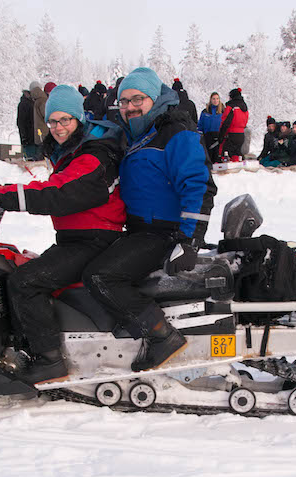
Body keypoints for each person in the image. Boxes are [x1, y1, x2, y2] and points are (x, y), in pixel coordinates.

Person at [0, 85, 127, 384]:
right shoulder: (71, 149)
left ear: (78, 119)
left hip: (94, 239)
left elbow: (58, 194)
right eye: (53, 121)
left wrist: (1, 194)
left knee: (25, 281)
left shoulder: (93, 154)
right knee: (16, 265)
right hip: (79, 237)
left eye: (65, 120)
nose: (57, 128)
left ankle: (49, 360)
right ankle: (24, 345)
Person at [83, 67, 216, 372]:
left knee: (100, 276)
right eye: (124, 101)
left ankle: (162, 336)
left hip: (164, 234)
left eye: (137, 99)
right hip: (140, 230)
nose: (129, 107)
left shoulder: (176, 132)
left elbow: (199, 185)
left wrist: (189, 240)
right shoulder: (141, 134)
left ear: (154, 98)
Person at [217, 88, 249, 160]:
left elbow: (225, 122)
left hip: (231, 134)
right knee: (237, 154)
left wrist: (221, 135)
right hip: (241, 135)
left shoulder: (231, 107)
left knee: (226, 154)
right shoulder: (244, 108)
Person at [197, 92, 224, 163]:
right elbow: (200, 124)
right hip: (208, 136)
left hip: (219, 135)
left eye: (217, 99)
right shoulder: (205, 111)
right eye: (214, 99)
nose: (215, 101)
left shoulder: (223, 111)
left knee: (217, 155)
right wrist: (200, 133)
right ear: (211, 100)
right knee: (208, 155)